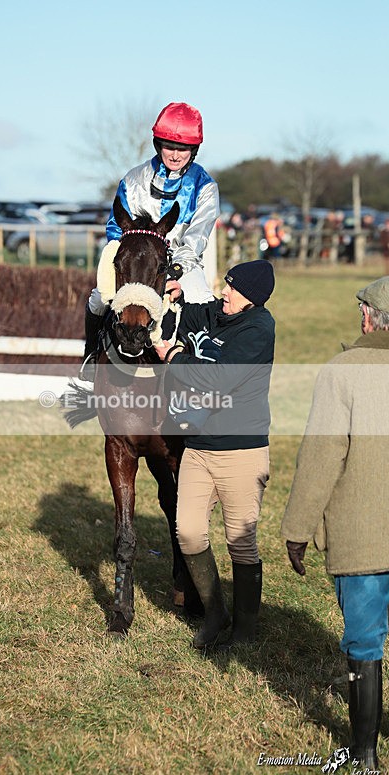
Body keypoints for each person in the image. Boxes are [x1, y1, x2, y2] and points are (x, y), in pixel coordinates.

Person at [281, 276, 389, 769]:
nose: (360, 316)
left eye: (362, 310)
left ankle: (366, 754)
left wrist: (296, 528)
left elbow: (321, 457)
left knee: (364, 640)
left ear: (370, 318)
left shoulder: (341, 371)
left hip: (362, 532)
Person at [155, 259, 275, 650]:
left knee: (241, 543)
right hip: (199, 449)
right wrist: (176, 295)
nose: (225, 292)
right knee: (188, 533)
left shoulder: (259, 329)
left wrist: (173, 358)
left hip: (241, 451)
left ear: (251, 299)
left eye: (232, 288)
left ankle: (244, 631)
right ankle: (214, 613)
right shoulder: (218, 312)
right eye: (226, 285)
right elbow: (193, 312)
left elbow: (217, 375)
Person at [81, 101, 220, 378]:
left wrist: (175, 270)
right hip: (133, 261)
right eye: (170, 146)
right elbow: (115, 227)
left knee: (203, 300)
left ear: (194, 150)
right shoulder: (133, 180)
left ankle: (204, 379)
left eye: (183, 148)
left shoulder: (205, 187)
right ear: (158, 144)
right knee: (98, 299)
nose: (176, 154)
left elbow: (196, 238)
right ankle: (89, 362)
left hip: (181, 263)